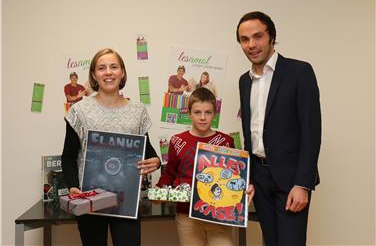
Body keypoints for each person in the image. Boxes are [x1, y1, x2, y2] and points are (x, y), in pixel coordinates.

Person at [236, 11, 321, 245]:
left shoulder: (300, 72)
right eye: (244, 39)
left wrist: (303, 184)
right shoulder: (244, 81)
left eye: (258, 36)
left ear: (272, 37)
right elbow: (250, 133)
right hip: (259, 179)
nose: (251, 44)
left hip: (291, 178)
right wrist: (248, 176)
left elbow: (311, 133)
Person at [61, 48, 161, 246]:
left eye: (114, 67)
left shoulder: (137, 110)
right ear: (93, 75)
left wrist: (156, 161)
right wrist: (73, 186)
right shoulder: (79, 111)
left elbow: (147, 151)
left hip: (126, 199)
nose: (108, 72)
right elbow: (68, 157)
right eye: (102, 68)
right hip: (90, 199)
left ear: (122, 72)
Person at [155, 87, 255, 246]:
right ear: (189, 113)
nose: (202, 118)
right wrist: (159, 192)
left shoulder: (226, 142)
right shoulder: (177, 141)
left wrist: (246, 185)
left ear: (214, 114)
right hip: (186, 215)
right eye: (197, 112)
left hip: (218, 214)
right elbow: (169, 173)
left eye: (208, 112)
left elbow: (235, 176)